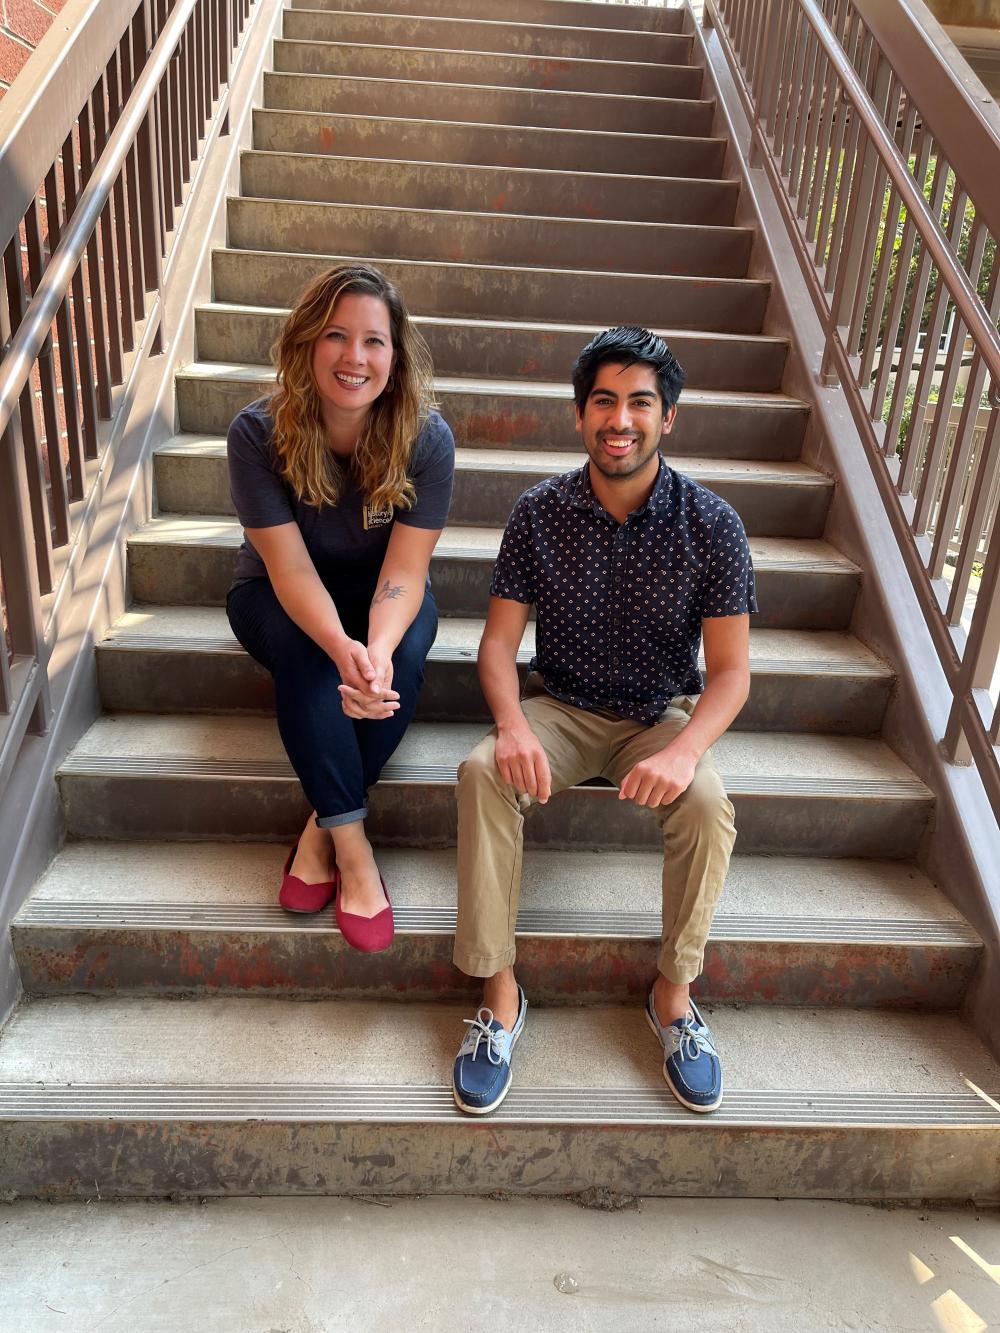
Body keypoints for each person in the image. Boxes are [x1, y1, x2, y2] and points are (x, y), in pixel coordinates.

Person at [451, 326, 755, 1115]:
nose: (621, 419)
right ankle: (500, 994)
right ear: (580, 414)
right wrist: (512, 724)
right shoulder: (538, 512)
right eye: (605, 402)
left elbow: (731, 673)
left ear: (668, 417)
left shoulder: (713, 524)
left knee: (706, 802)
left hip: (658, 713)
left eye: (640, 403)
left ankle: (674, 996)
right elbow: (497, 645)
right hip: (559, 707)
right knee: (482, 771)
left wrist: (685, 751)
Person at [226, 263, 454, 953]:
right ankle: (355, 853)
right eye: (336, 335)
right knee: (309, 658)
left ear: (396, 355)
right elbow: (290, 570)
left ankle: (317, 832)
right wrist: (339, 647)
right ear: (307, 342)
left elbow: (406, 571)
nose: (355, 356)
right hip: (275, 593)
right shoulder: (257, 434)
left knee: (404, 655)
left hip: (382, 593)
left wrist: (375, 651)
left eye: (374, 340)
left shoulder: (426, 439)